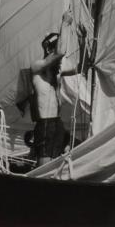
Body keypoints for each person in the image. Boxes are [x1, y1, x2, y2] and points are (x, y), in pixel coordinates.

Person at [30, 12, 77, 166]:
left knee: (58, 162)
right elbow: (60, 52)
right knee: (44, 167)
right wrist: (65, 23)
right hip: (45, 124)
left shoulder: (58, 72)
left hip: (57, 123)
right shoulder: (37, 67)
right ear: (49, 50)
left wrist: (83, 41)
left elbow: (80, 67)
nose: (61, 59)